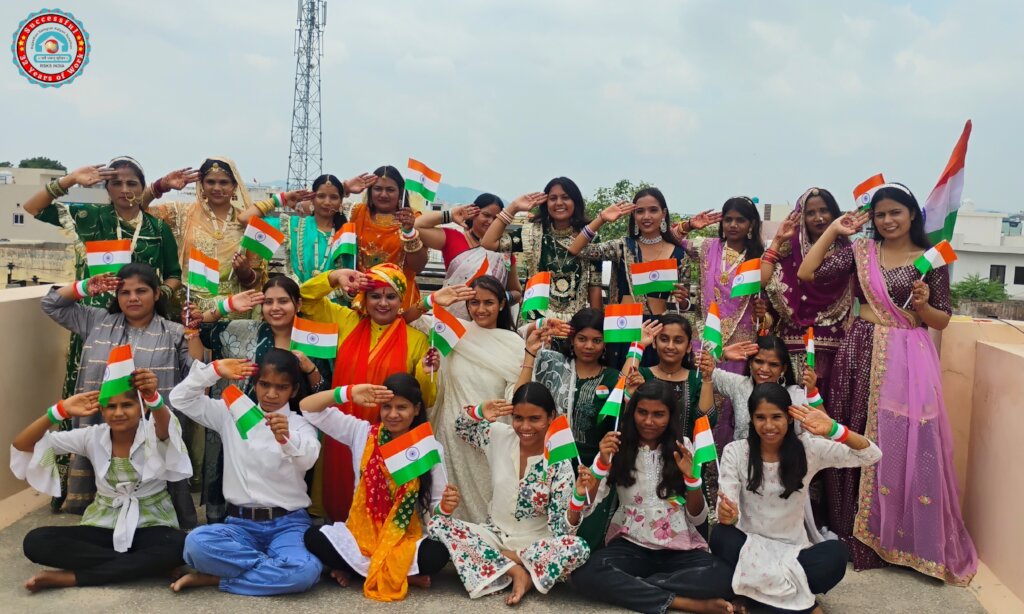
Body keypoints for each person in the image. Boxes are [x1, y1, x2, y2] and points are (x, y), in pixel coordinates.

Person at [797, 183, 978, 584]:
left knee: (904, 440)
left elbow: (942, 319)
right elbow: (807, 273)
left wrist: (922, 305)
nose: (887, 220)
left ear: (912, 214)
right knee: (852, 434)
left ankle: (898, 537)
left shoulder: (931, 259)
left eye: (895, 212)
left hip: (907, 362)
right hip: (859, 352)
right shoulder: (861, 252)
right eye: (880, 214)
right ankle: (852, 534)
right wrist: (835, 230)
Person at [23, 157, 185, 509]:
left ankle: (142, 485)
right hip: (95, 322)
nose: (125, 190)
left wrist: (158, 294)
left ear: (142, 187)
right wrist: (70, 180)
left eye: (132, 183)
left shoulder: (158, 228)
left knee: (140, 399)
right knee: (89, 400)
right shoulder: (91, 217)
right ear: (107, 189)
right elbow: (31, 208)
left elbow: (174, 274)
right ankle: (75, 486)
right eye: (117, 183)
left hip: (145, 324)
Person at [300, 264, 472, 521]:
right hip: (343, 428)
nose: (382, 303)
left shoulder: (416, 339)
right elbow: (305, 299)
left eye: (391, 296)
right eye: (375, 296)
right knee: (338, 492)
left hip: (387, 436)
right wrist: (334, 277)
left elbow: (425, 399)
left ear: (401, 301)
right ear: (364, 297)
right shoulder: (345, 321)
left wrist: (426, 371)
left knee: (380, 508)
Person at [41, 264, 196, 527]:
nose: (133, 298)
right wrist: (84, 287)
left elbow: (195, 371)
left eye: (141, 291)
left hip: (150, 430)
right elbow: (51, 304)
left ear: (157, 293)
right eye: (125, 292)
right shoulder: (97, 321)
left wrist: (193, 332)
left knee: (152, 492)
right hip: (101, 423)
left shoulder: (174, 332)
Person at [710, 383, 882, 613]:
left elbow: (871, 455)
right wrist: (728, 516)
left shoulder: (808, 449)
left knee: (836, 555)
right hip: (749, 547)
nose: (768, 426)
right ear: (751, 419)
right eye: (760, 418)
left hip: (793, 553)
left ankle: (752, 597)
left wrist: (835, 430)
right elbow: (727, 509)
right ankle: (797, 603)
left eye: (776, 417)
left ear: (789, 418)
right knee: (721, 535)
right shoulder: (736, 451)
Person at [571, 381, 738, 614]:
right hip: (630, 545)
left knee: (727, 578)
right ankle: (683, 602)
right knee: (586, 572)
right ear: (633, 412)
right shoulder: (615, 446)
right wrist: (600, 465)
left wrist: (692, 480)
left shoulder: (683, 446)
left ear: (670, 416)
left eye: (658, 414)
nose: (649, 421)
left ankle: (633, 586)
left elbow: (698, 517)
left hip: (679, 549)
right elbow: (587, 506)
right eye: (642, 412)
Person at [12, 377, 191, 592]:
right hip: (102, 526)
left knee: (180, 545)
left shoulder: (154, 432)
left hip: (151, 526)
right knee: (36, 541)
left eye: (127, 405)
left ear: (142, 408)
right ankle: (146, 565)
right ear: (102, 411)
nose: (118, 412)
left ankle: (73, 577)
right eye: (111, 407)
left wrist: (153, 398)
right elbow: (23, 445)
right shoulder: (91, 436)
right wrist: (59, 411)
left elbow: (167, 425)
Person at [168, 351, 323, 595]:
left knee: (304, 572)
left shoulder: (299, 424)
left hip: (288, 524)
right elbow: (180, 399)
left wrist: (287, 437)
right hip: (239, 525)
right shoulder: (232, 413)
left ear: (293, 390)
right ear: (255, 383)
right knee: (195, 544)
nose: (271, 394)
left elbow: (308, 459)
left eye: (281, 387)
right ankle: (273, 569)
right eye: (265, 384)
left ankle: (217, 578)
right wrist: (215, 370)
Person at [185, 276, 331, 523]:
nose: (275, 308)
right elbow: (199, 326)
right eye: (269, 302)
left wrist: (309, 368)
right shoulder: (246, 330)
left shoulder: (314, 337)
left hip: (291, 429)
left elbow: (324, 391)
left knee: (288, 483)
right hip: (245, 424)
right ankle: (230, 527)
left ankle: (286, 526)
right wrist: (226, 306)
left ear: (298, 304)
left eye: (283, 301)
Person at [428, 383, 591, 605]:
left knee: (578, 548)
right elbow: (461, 427)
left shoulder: (559, 460)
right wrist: (480, 410)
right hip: (494, 536)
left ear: (551, 417)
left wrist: (578, 498)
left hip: (535, 546)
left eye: (534, 418)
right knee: (437, 524)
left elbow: (562, 531)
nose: (525, 426)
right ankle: (517, 572)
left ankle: (504, 562)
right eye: (518, 418)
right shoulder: (499, 435)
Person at [301, 374, 454, 601]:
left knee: (437, 553)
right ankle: (397, 574)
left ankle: (355, 570)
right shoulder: (362, 433)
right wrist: (349, 392)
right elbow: (308, 409)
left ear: (416, 409)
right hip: (359, 537)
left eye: (401, 407)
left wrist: (446, 507)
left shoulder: (426, 448)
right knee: (313, 536)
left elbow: (435, 505)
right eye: (387, 407)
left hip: (402, 539)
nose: (393, 414)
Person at [145, 157, 308, 315]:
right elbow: (138, 209)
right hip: (188, 308)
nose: (217, 188)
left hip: (235, 309)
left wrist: (246, 273)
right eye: (210, 182)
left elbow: (256, 278)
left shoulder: (247, 222)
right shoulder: (181, 213)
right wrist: (161, 186)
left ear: (234, 186)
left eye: (224, 182)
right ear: (201, 185)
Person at [427, 275, 524, 523]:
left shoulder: (514, 343)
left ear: (502, 304)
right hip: (451, 436)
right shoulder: (454, 331)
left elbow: (516, 395)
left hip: (490, 437)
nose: (481, 309)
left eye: (488, 302)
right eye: (474, 302)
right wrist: (432, 300)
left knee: (490, 504)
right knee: (452, 504)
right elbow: (410, 319)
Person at [522, 308, 619, 548]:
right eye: (582, 339)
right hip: (552, 460)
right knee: (545, 537)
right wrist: (534, 343)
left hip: (594, 467)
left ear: (605, 343)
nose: (589, 346)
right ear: (572, 340)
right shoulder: (552, 365)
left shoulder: (614, 378)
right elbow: (521, 399)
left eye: (597, 340)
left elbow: (615, 429)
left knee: (582, 542)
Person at [680, 197, 767, 444]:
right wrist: (689, 224)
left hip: (742, 341)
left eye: (740, 220)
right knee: (702, 395)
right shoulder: (707, 247)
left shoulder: (760, 257)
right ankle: (699, 458)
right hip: (706, 336)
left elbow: (769, 311)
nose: (733, 225)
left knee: (734, 403)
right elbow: (671, 237)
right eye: (728, 219)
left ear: (751, 224)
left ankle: (729, 459)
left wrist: (764, 315)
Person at [761, 188, 853, 400]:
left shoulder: (849, 253)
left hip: (834, 343)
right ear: (801, 217)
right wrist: (778, 240)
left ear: (834, 213)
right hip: (791, 344)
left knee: (827, 404)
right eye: (811, 213)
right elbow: (762, 283)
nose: (819, 218)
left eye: (824, 211)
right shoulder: (787, 251)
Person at [569, 188, 721, 315]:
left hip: (659, 332)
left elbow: (686, 306)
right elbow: (576, 249)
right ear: (634, 216)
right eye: (640, 211)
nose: (646, 216)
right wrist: (601, 219)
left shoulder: (679, 255)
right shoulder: (622, 247)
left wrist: (682, 301)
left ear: (663, 213)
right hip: (623, 329)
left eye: (653, 210)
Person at [480, 179, 600, 324]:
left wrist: (595, 324)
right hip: (534, 319)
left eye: (565, 197)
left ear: (575, 202)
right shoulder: (532, 233)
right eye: (553, 198)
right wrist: (514, 207)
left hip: (574, 321)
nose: (559, 203)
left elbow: (595, 285)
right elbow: (488, 243)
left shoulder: (589, 237)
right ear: (545, 203)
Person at [239, 172, 375, 284]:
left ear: (341, 202)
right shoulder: (292, 225)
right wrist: (281, 199)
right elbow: (245, 219)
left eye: (334, 197)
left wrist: (345, 187)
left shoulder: (348, 230)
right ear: (312, 199)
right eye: (321, 196)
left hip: (337, 305)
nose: (327, 202)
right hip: (301, 303)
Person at [415, 193, 523, 319]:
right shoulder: (454, 238)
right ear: (473, 214)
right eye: (486, 215)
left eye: (496, 218)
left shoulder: (505, 251)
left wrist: (498, 298)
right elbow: (417, 226)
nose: (491, 221)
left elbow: (517, 292)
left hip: (488, 322)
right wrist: (451, 215)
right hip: (452, 321)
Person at [347, 165, 428, 316]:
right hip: (362, 298)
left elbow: (418, 267)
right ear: (370, 192)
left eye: (390, 190)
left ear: (400, 193)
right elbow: (322, 204)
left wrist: (409, 232)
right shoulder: (356, 213)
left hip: (400, 301)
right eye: (378, 189)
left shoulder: (414, 219)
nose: (383, 194)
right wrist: (345, 188)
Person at [698, 335, 812, 442]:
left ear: (783, 368)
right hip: (742, 456)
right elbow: (700, 370)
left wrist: (813, 393)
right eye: (759, 361)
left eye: (773, 364)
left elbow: (812, 435)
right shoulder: (739, 385)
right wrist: (721, 354)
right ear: (750, 363)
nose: (765, 369)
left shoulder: (795, 395)